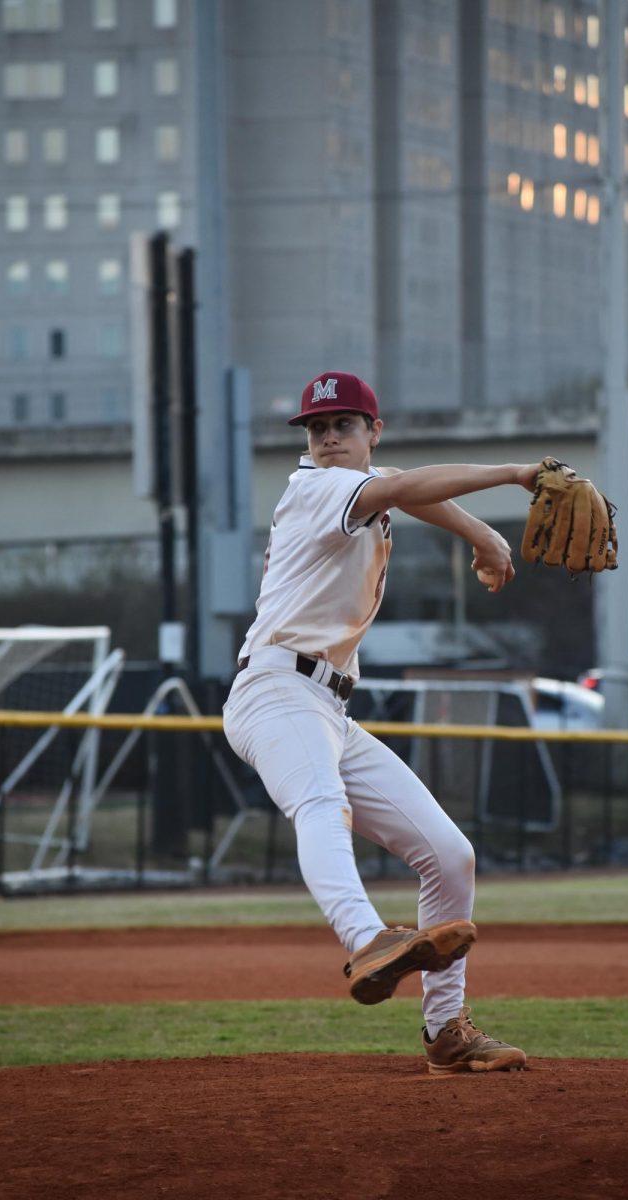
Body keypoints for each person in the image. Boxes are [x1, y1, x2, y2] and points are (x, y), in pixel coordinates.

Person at [223, 371, 538, 1074]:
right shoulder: (316, 486)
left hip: (329, 706)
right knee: (320, 804)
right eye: (316, 427)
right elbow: (401, 487)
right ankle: (367, 939)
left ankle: (447, 1031)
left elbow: (408, 488)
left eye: (343, 425)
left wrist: (483, 535)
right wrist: (515, 473)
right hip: (274, 690)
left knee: (449, 855)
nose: (328, 437)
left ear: (373, 431)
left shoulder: (363, 485)